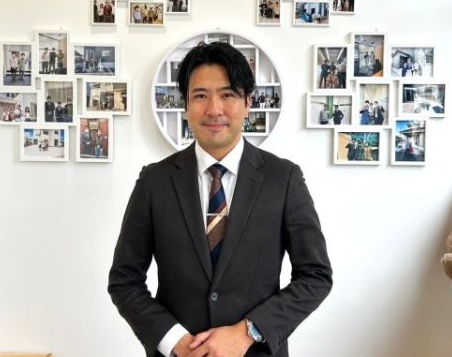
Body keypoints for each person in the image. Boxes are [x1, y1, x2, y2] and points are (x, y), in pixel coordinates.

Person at [108, 41, 332, 357]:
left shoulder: (283, 179)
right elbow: (124, 280)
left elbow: (315, 276)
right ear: (186, 104)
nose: (214, 109)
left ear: (248, 103)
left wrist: (249, 331)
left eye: (227, 95)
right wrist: (175, 341)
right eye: (200, 96)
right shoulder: (154, 181)